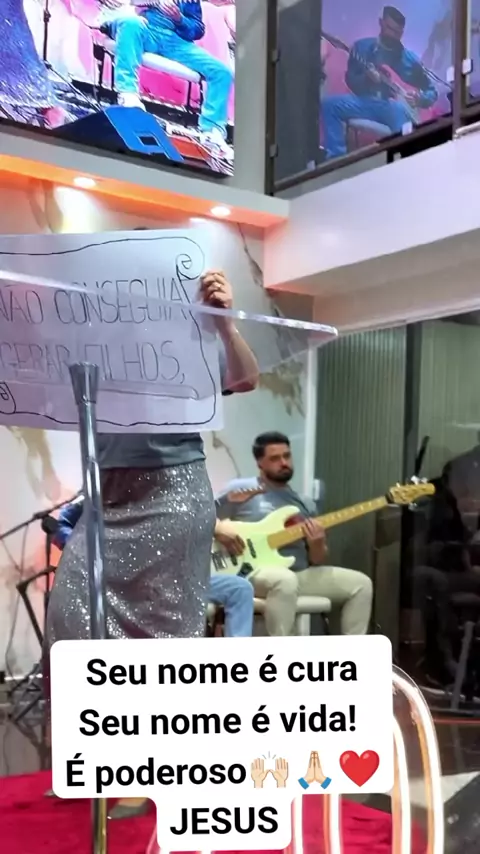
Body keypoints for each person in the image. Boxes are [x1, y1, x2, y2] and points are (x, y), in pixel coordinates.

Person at [45, 268, 258, 817]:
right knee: (71, 616)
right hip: (106, 496)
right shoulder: (93, 341)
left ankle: (143, 769)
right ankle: (86, 758)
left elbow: (245, 378)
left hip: (173, 494)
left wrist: (225, 324)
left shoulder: (186, 340)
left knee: (161, 638)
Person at [215, 432, 373, 637]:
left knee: (361, 585)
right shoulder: (242, 489)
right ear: (260, 463)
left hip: (298, 573)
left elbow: (317, 560)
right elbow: (201, 516)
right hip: (250, 571)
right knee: (285, 581)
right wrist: (219, 530)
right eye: (275, 458)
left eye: (287, 456)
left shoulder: (305, 503)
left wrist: (317, 543)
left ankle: (353, 654)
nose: (284, 463)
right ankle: (282, 653)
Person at [54, 497, 255, 639]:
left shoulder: (165, 489)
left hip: (174, 576)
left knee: (239, 589)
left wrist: (215, 526)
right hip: (129, 582)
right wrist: (86, 550)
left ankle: (237, 664)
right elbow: (59, 524)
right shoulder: (99, 490)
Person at [103, 0, 233, 152]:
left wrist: (179, 19)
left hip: (174, 41)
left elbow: (197, 29)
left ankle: (212, 131)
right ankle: (128, 94)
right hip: (143, 27)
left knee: (221, 72)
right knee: (131, 23)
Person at [321, 6, 438, 160]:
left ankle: (407, 160)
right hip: (364, 102)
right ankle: (336, 158)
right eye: (390, 29)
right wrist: (366, 78)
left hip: (393, 106)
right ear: (381, 23)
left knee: (401, 119)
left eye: (398, 32)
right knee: (329, 105)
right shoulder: (362, 47)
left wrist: (419, 99)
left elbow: (432, 91)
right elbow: (351, 81)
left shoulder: (410, 60)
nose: (393, 35)